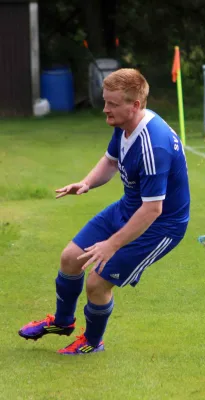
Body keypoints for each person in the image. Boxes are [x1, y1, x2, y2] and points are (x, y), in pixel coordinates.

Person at [18, 68, 190, 355]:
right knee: (70, 258)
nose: (105, 109)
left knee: (97, 282)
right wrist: (86, 182)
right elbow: (111, 162)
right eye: (105, 101)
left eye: (112, 104)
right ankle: (63, 323)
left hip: (161, 225)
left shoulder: (153, 145)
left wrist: (112, 244)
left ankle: (92, 342)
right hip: (129, 208)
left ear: (135, 105)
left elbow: (153, 210)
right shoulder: (125, 126)